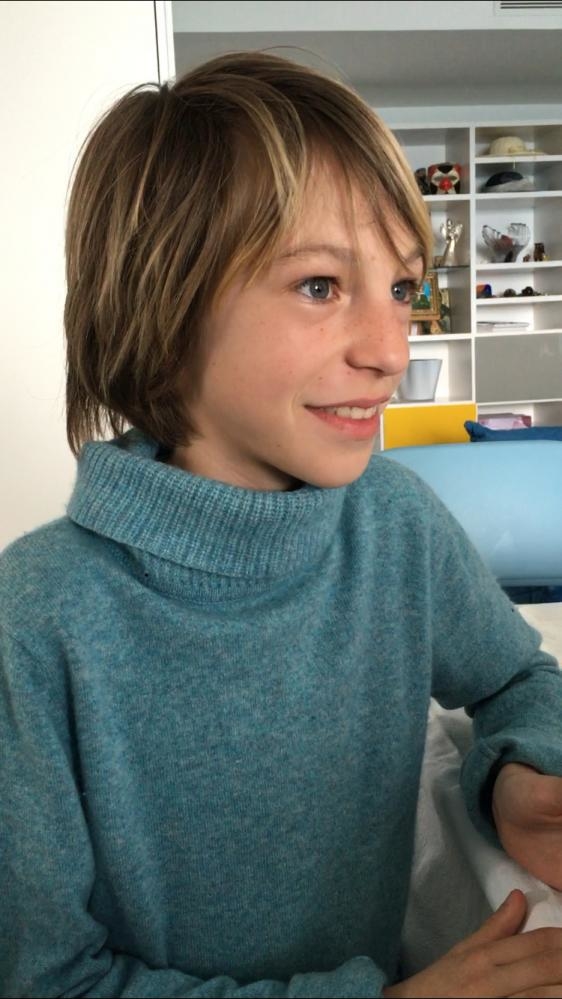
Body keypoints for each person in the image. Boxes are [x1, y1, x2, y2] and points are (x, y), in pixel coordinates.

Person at [1, 51, 562, 999]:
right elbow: (49, 982)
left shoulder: (393, 522)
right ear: (163, 307)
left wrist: (517, 774)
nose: (391, 351)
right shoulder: (36, 618)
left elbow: (517, 676)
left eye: (402, 289)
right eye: (319, 286)